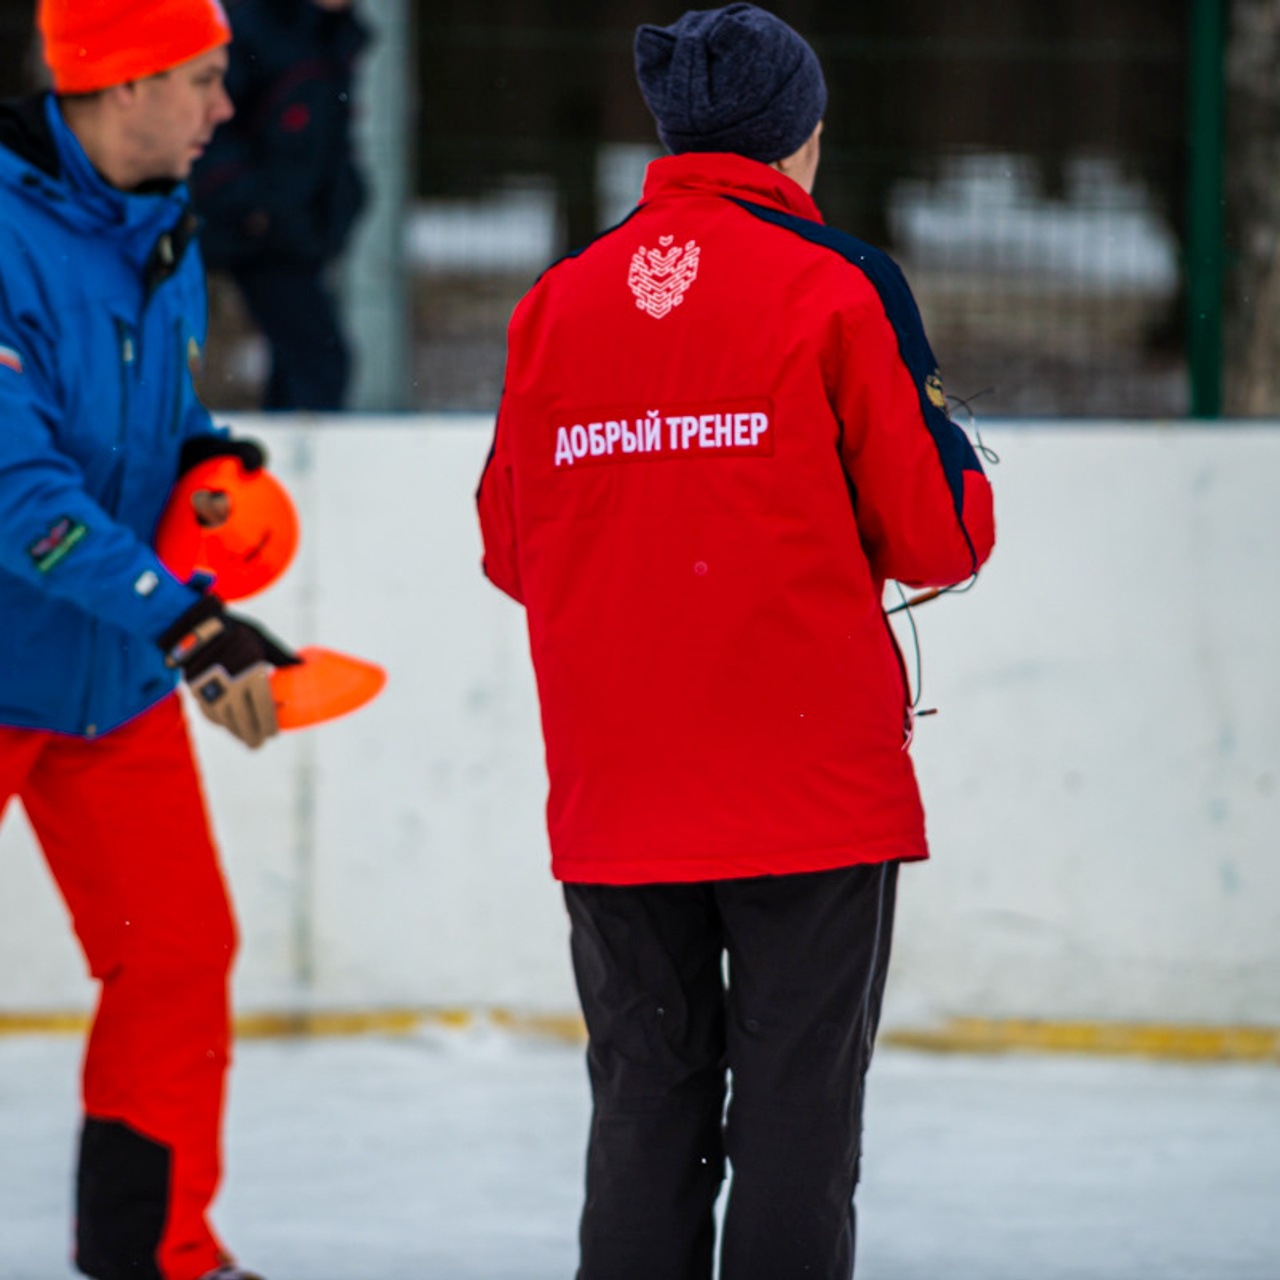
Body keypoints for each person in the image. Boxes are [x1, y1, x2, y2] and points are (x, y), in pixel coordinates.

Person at [476, 5, 996, 1278]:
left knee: (644, 1113)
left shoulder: (558, 299)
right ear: (798, 137)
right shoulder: (837, 281)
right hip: (806, 787)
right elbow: (938, 536)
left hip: (620, 792)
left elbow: (507, 546)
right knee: (795, 1126)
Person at [0, 1, 306, 1277]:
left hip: (106, 681)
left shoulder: (163, 231)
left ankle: (155, 1251)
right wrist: (186, 621)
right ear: (122, 84)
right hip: (54, 653)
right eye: (202, 79)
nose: (223, 107)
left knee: (174, 954)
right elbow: (19, 493)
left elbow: (159, 417)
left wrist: (211, 466)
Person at [192, 0, 368, 411]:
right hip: (257, 231)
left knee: (304, 362)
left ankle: (289, 461)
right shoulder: (258, 31)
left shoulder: (334, 35)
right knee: (318, 360)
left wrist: (343, 201)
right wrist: (254, 206)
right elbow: (212, 128)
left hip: (299, 230)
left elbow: (328, 139)